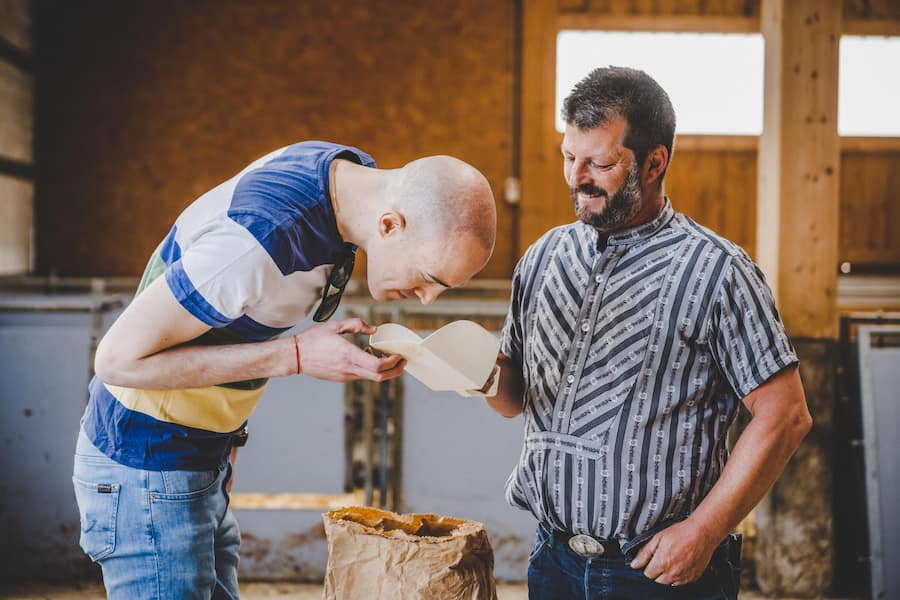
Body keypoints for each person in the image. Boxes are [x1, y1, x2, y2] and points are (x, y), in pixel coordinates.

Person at [72, 140, 497, 599]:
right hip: (147, 465)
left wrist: (228, 437)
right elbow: (116, 360)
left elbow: (227, 323)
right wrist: (295, 356)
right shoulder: (255, 244)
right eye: (431, 278)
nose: (428, 298)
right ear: (390, 224)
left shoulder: (342, 176)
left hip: (197, 459)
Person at [484, 67, 812, 599]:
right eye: (571, 157)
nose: (577, 176)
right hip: (553, 561)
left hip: (662, 569)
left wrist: (704, 532)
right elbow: (513, 400)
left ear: (655, 161)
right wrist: (471, 370)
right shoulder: (542, 258)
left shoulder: (717, 271)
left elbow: (786, 415)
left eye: (601, 162)